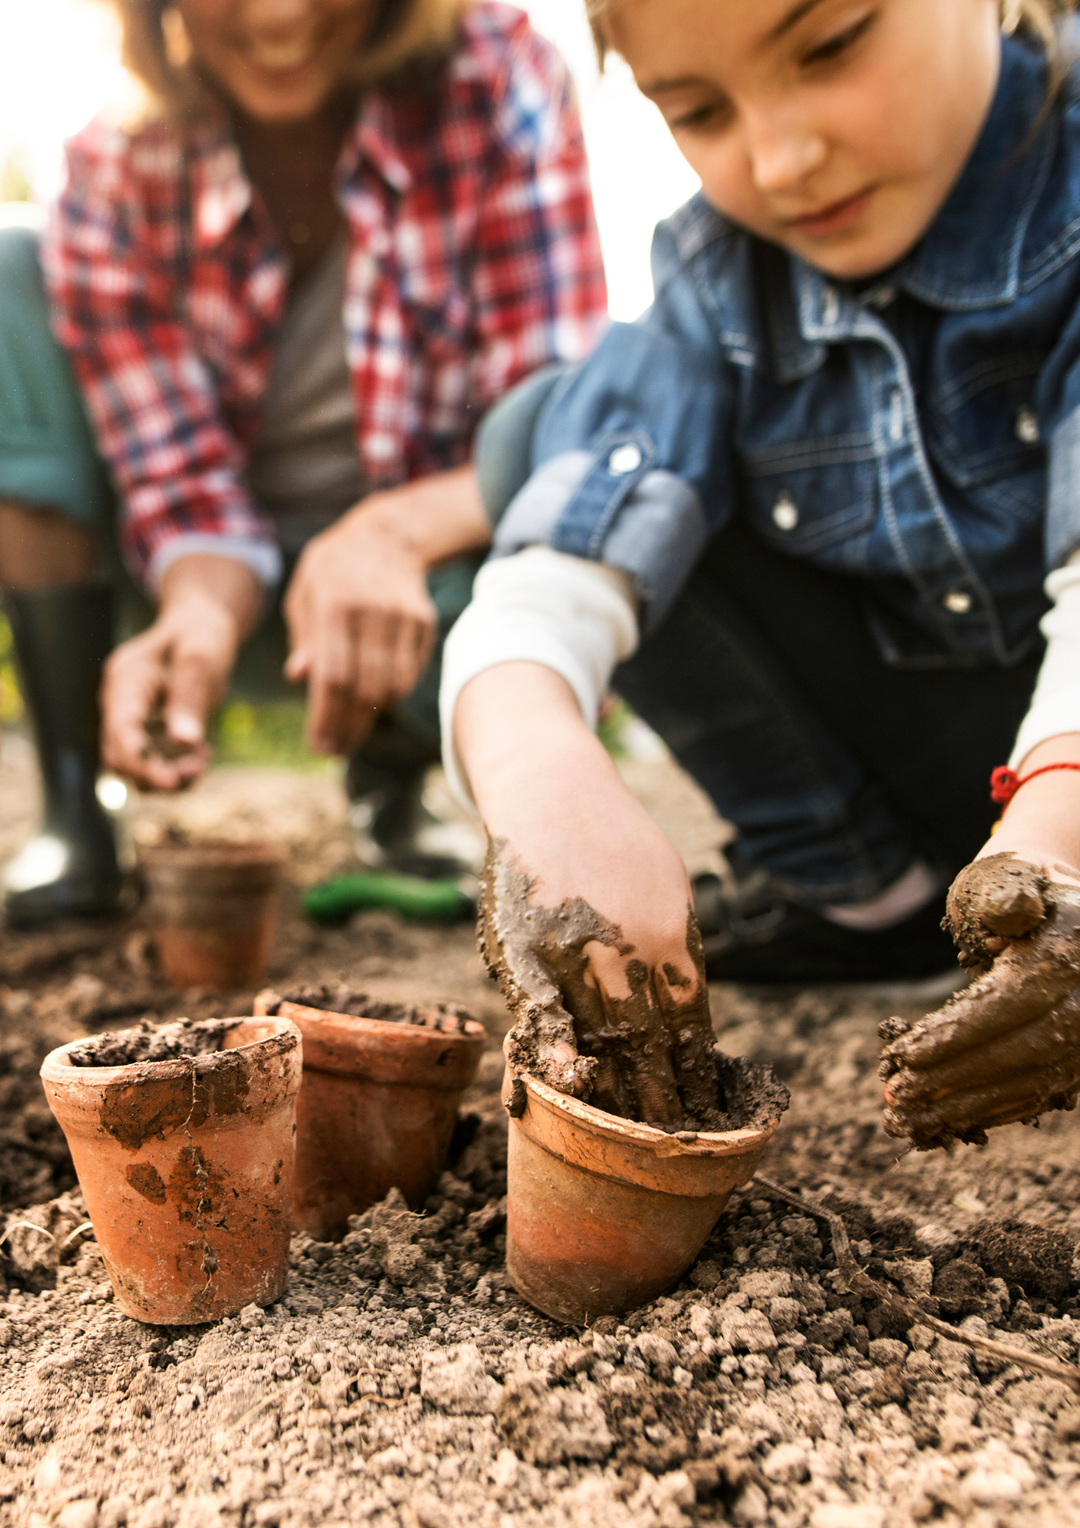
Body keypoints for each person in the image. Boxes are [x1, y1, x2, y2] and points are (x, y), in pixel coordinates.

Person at [442, 0, 1080, 1140]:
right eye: (698, 111)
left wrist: (1060, 832)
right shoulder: (717, 275)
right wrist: (540, 769)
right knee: (539, 435)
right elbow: (563, 561)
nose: (781, 161)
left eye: (830, 46)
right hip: (933, 756)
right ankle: (861, 895)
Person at [0, 0, 606, 923]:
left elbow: (553, 426)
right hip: (209, 590)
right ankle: (76, 800)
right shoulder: (112, 165)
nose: (279, 10)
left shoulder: (499, 75)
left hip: (430, 584)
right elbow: (179, 483)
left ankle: (394, 773)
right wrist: (200, 609)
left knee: (571, 540)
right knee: (7, 265)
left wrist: (390, 536)